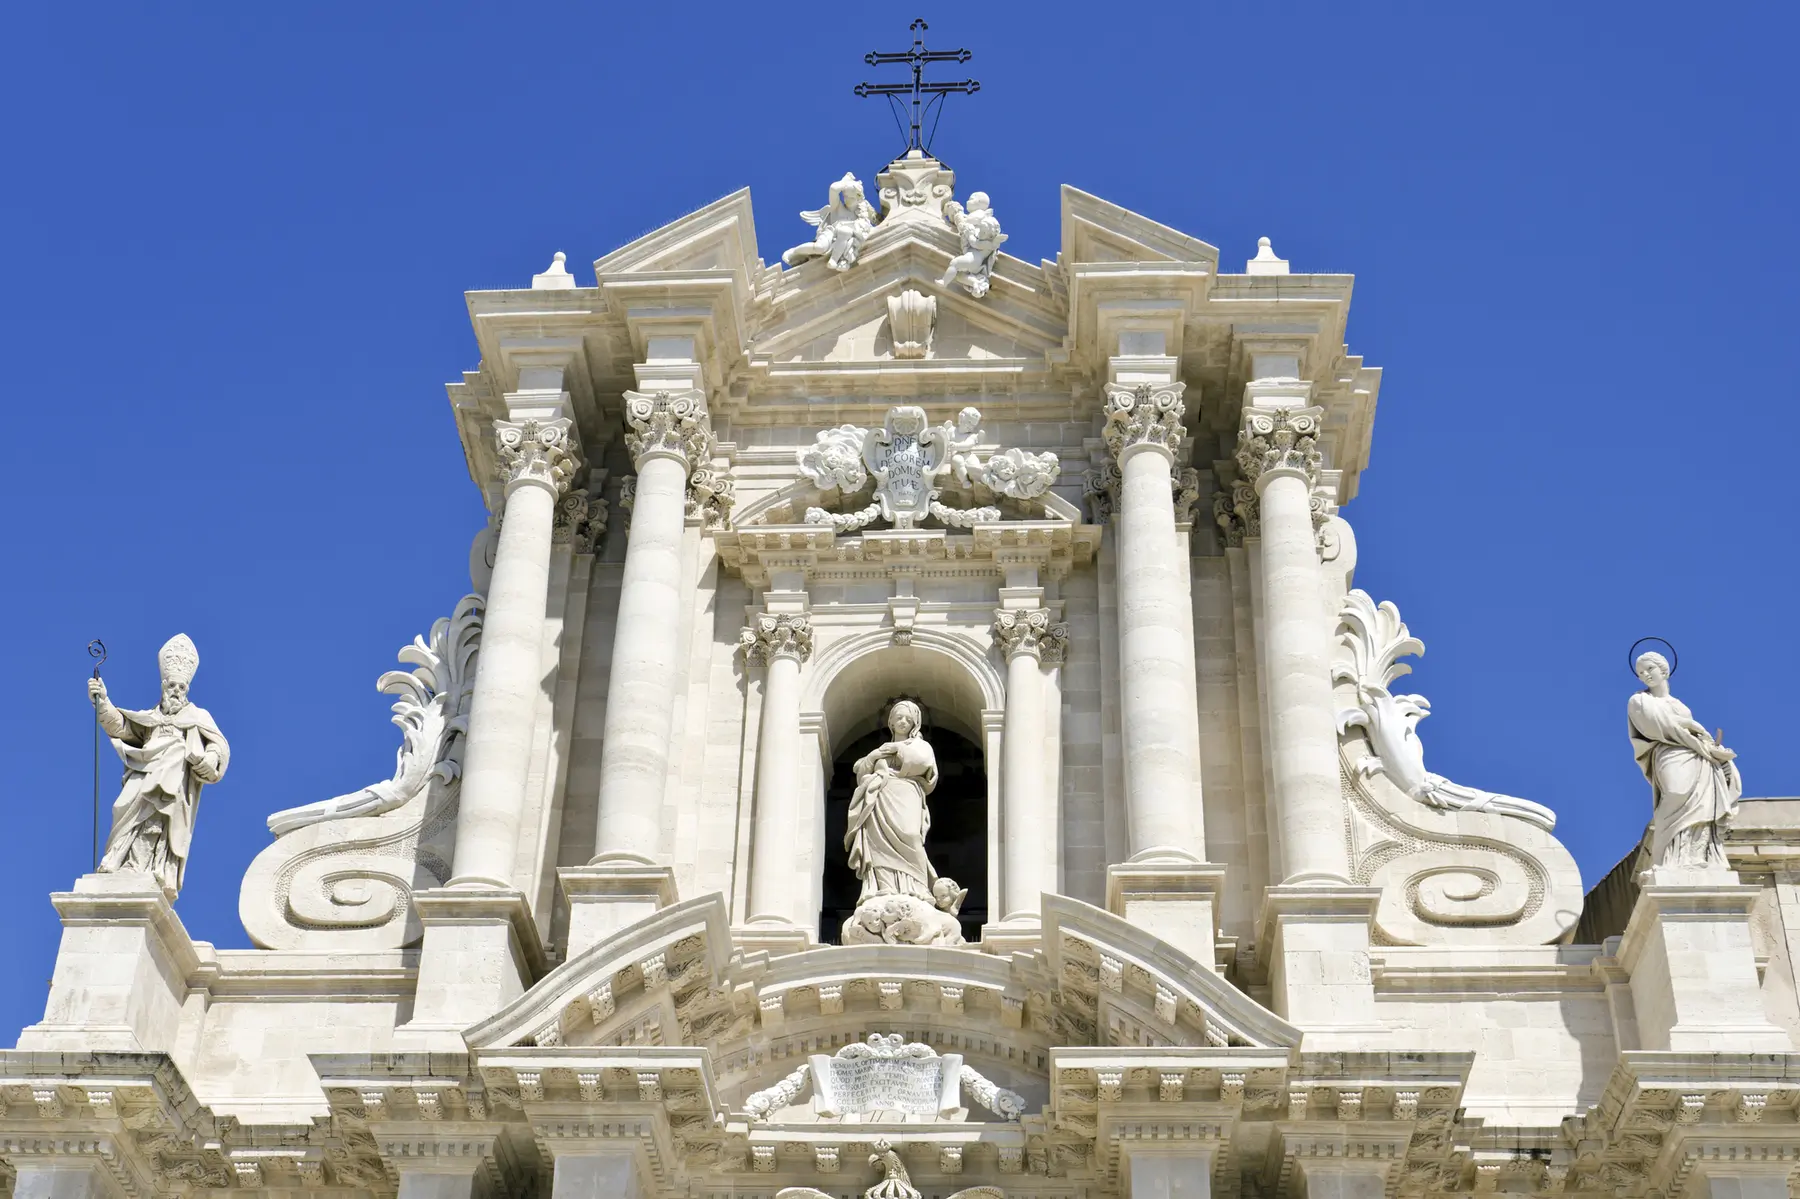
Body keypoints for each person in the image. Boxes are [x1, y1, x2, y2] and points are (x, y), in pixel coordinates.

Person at [88, 634, 230, 897]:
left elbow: (218, 746)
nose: (176, 692)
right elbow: (120, 727)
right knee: (125, 813)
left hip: (173, 781)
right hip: (144, 772)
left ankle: (148, 869)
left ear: (187, 690)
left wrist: (210, 760)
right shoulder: (150, 718)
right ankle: (121, 861)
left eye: (181, 688)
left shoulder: (198, 717)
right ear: (163, 686)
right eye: (171, 686)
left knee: (159, 820)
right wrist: (103, 702)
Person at [1628, 650, 1739, 870]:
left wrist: (1715, 751)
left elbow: (1693, 733)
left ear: (1663, 669)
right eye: (1641, 673)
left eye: (1650, 668)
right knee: (1676, 793)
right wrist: (1690, 725)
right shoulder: (1639, 700)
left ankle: (1695, 855)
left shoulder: (1678, 704)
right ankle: (1665, 857)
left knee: (1703, 804)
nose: (1646, 675)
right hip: (1668, 752)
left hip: (1697, 756)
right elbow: (1654, 725)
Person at [844, 700, 941, 905]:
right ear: (891, 723)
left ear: (915, 724)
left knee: (911, 835)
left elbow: (923, 763)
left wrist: (896, 748)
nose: (903, 722)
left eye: (908, 719)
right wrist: (873, 756)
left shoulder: (920, 745)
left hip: (907, 792)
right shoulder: (881, 749)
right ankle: (885, 887)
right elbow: (861, 772)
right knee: (878, 841)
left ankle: (918, 888)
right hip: (879, 796)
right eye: (899, 718)